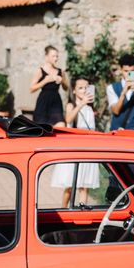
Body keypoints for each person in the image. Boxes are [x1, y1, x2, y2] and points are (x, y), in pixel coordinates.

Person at [50, 77, 99, 207]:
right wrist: (81, 104)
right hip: (76, 148)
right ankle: (63, 209)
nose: (84, 90)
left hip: (88, 148)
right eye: (80, 88)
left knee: (84, 186)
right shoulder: (72, 105)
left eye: (86, 87)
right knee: (70, 185)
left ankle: (82, 211)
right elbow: (68, 118)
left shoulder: (90, 107)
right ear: (74, 91)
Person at [107, 54, 134, 132]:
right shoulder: (111, 88)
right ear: (121, 70)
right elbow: (115, 111)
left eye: (132, 72)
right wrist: (123, 92)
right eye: (126, 71)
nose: (129, 74)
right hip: (118, 130)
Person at [30, 45, 68, 127]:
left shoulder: (60, 71)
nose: (56, 58)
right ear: (46, 57)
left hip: (56, 102)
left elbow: (66, 88)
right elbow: (31, 89)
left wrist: (62, 81)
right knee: (42, 129)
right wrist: (45, 81)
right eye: (53, 56)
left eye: (57, 56)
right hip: (43, 102)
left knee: (61, 126)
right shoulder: (40, 71)